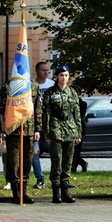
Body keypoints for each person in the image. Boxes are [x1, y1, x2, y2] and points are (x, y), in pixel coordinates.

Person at [42, 65, 82, 204]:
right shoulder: (50, 92)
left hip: (70, 129)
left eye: (66, 75)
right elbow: (46, 114)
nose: (63, 78)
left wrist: (78, 133)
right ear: (56, 77)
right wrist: (47, 134)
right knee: (57, 161)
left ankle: (65, 192)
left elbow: (77, 114)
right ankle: (56, 193)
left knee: (67, 162)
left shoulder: (72, 93)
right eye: (61, 75)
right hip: (56, 129)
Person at [0, 76, 42, 204]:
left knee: (27, 161)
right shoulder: (8, 86)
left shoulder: (34, 86)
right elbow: (3, 108)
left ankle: (23, 192)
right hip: (14, 129)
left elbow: (38, 108)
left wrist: (37, 129)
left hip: (29, 130)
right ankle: (15, 192)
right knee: (13, 162)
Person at [31, 61, 54, 189]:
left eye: (47, 70)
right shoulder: (32, 85)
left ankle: (57, 178)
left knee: (55, 152)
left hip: (50, 124)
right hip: (36, 124)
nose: (45, 73)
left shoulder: (52, 85)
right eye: (43, 70)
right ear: (37, 71)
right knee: (34, 152)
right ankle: (40, 178)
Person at [71, 96, 88, 173]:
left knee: (76, 150)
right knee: (71, 150)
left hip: (79, 127)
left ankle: (75, 166)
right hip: (70, 127)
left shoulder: (83, 104)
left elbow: (80, 116)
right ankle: (80, 163)